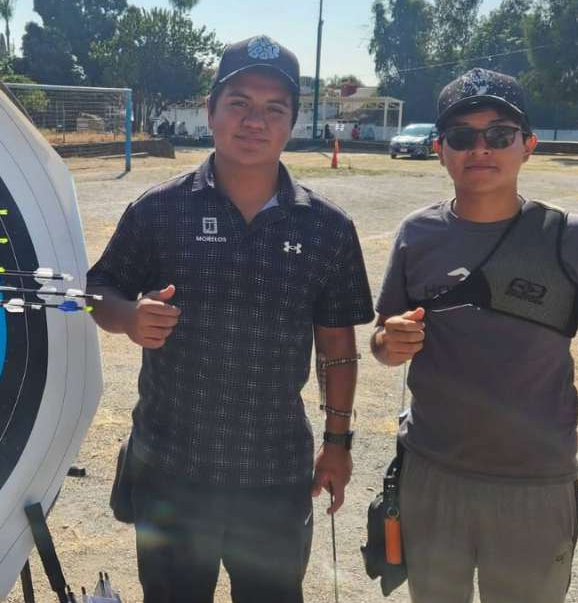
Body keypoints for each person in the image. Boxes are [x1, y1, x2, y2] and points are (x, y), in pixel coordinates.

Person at [86, 35, 375, 603]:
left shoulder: (327, 228)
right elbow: (98, 286)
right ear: (211, 110)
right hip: (170, 468)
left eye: (275, 108)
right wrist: (126, 316)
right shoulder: (159, 209)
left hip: (274, 476)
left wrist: (338, 442)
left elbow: (337, 346)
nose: (254, 121)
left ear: (293, 122)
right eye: (239, 102)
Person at [370, 68, 578, 603]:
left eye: (499, 134)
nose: (481, 149)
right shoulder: (416, 234)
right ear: (440, 150)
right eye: (462, 136)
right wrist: (387, 342)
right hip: (432, 476)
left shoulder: (573, 240)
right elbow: (383, 339)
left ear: (528, 146)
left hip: (535, 488)